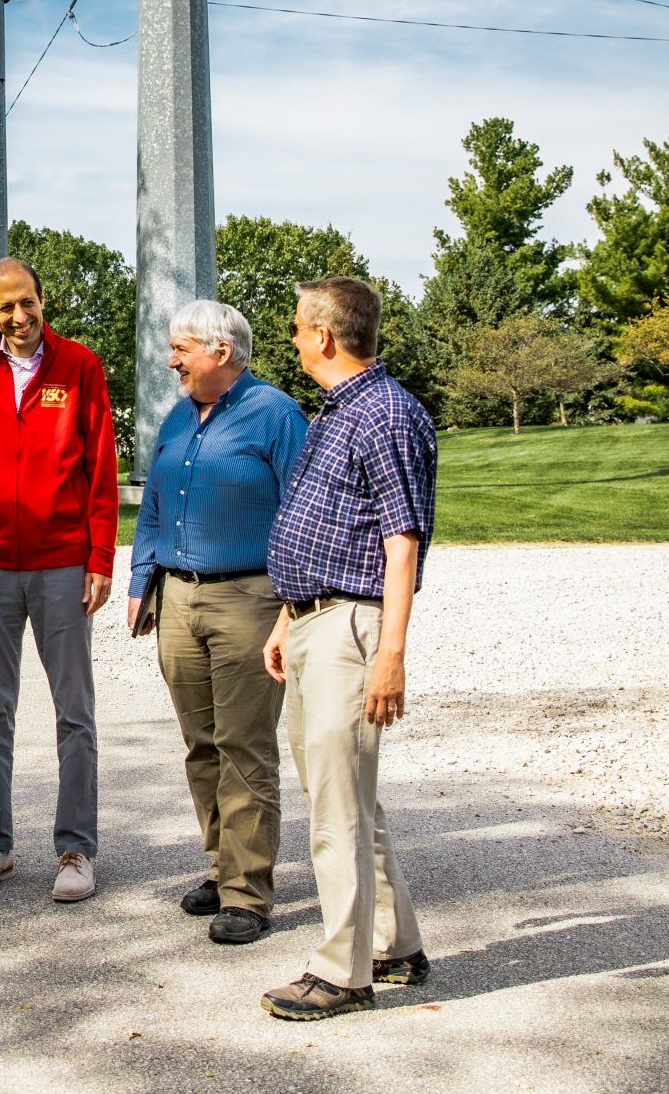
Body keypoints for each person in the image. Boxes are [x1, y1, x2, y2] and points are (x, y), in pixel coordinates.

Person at [261, 277, 437, 1022]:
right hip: (311, 619)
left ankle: (343, 972)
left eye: (299, 328)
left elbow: (403, 543)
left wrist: (389, 655)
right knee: (349, 795)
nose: (294, 338)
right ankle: (395, 944)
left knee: (335, 806)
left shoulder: (387, 415)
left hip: (350, 628)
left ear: (325, 336)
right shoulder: (339, 412)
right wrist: (284, 617)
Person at [0, 256, 118, 905]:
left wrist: (100, 558)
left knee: (74, 712)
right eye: (6, 306)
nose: (20, 315)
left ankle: (75, 849)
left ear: (44, 300)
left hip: (61, 562)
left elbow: (99, 468)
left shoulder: (79, 367)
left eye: (28, 302)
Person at [128, 301, 308, 946]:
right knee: (201, 744)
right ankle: (220, 864)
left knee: (244, 745)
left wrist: (292, 606)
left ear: (221, 351)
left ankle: (247, 893)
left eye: (181, 349)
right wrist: (140, 580)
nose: (171, 360)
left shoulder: (277, 415)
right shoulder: (178, 415)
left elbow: (302, 512)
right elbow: (153, 504)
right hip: (179, 597)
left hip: (249, 599)